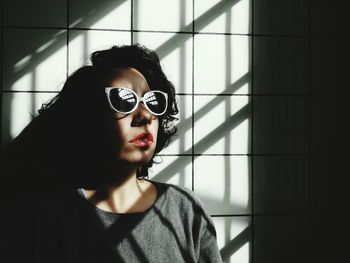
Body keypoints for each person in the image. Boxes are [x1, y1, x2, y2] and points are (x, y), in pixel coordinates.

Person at [0, 44, 222, 262]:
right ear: (87, 117)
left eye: (152, 101)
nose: (144, 116)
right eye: (124, 100)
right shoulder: (39, 219)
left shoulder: (185, 209)